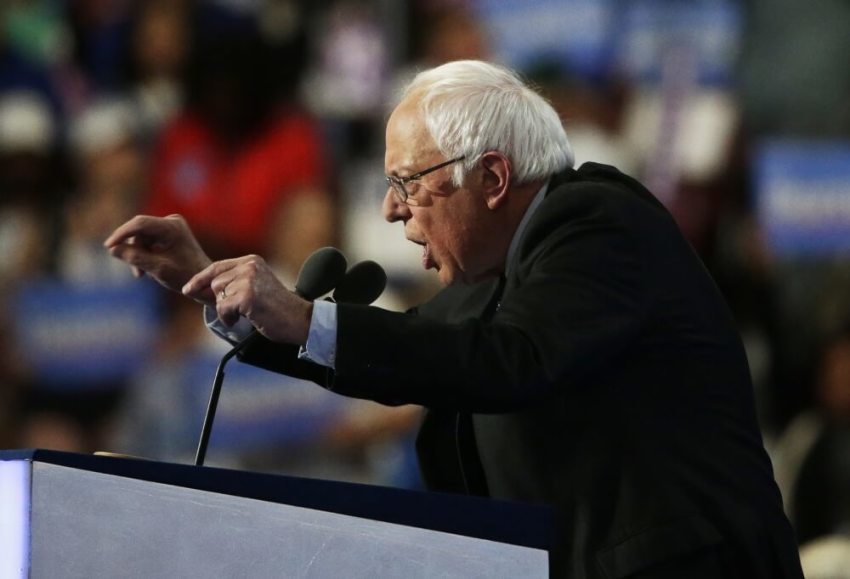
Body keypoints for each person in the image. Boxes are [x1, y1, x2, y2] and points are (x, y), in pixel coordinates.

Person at [105, 60, 803, 578]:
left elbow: (510, 358)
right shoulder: (484, 284)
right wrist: (216, 290)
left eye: (406, 182)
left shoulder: (598, 221)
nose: (390, 209)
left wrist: (302, 312)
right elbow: (413, 356)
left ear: (492, 178)